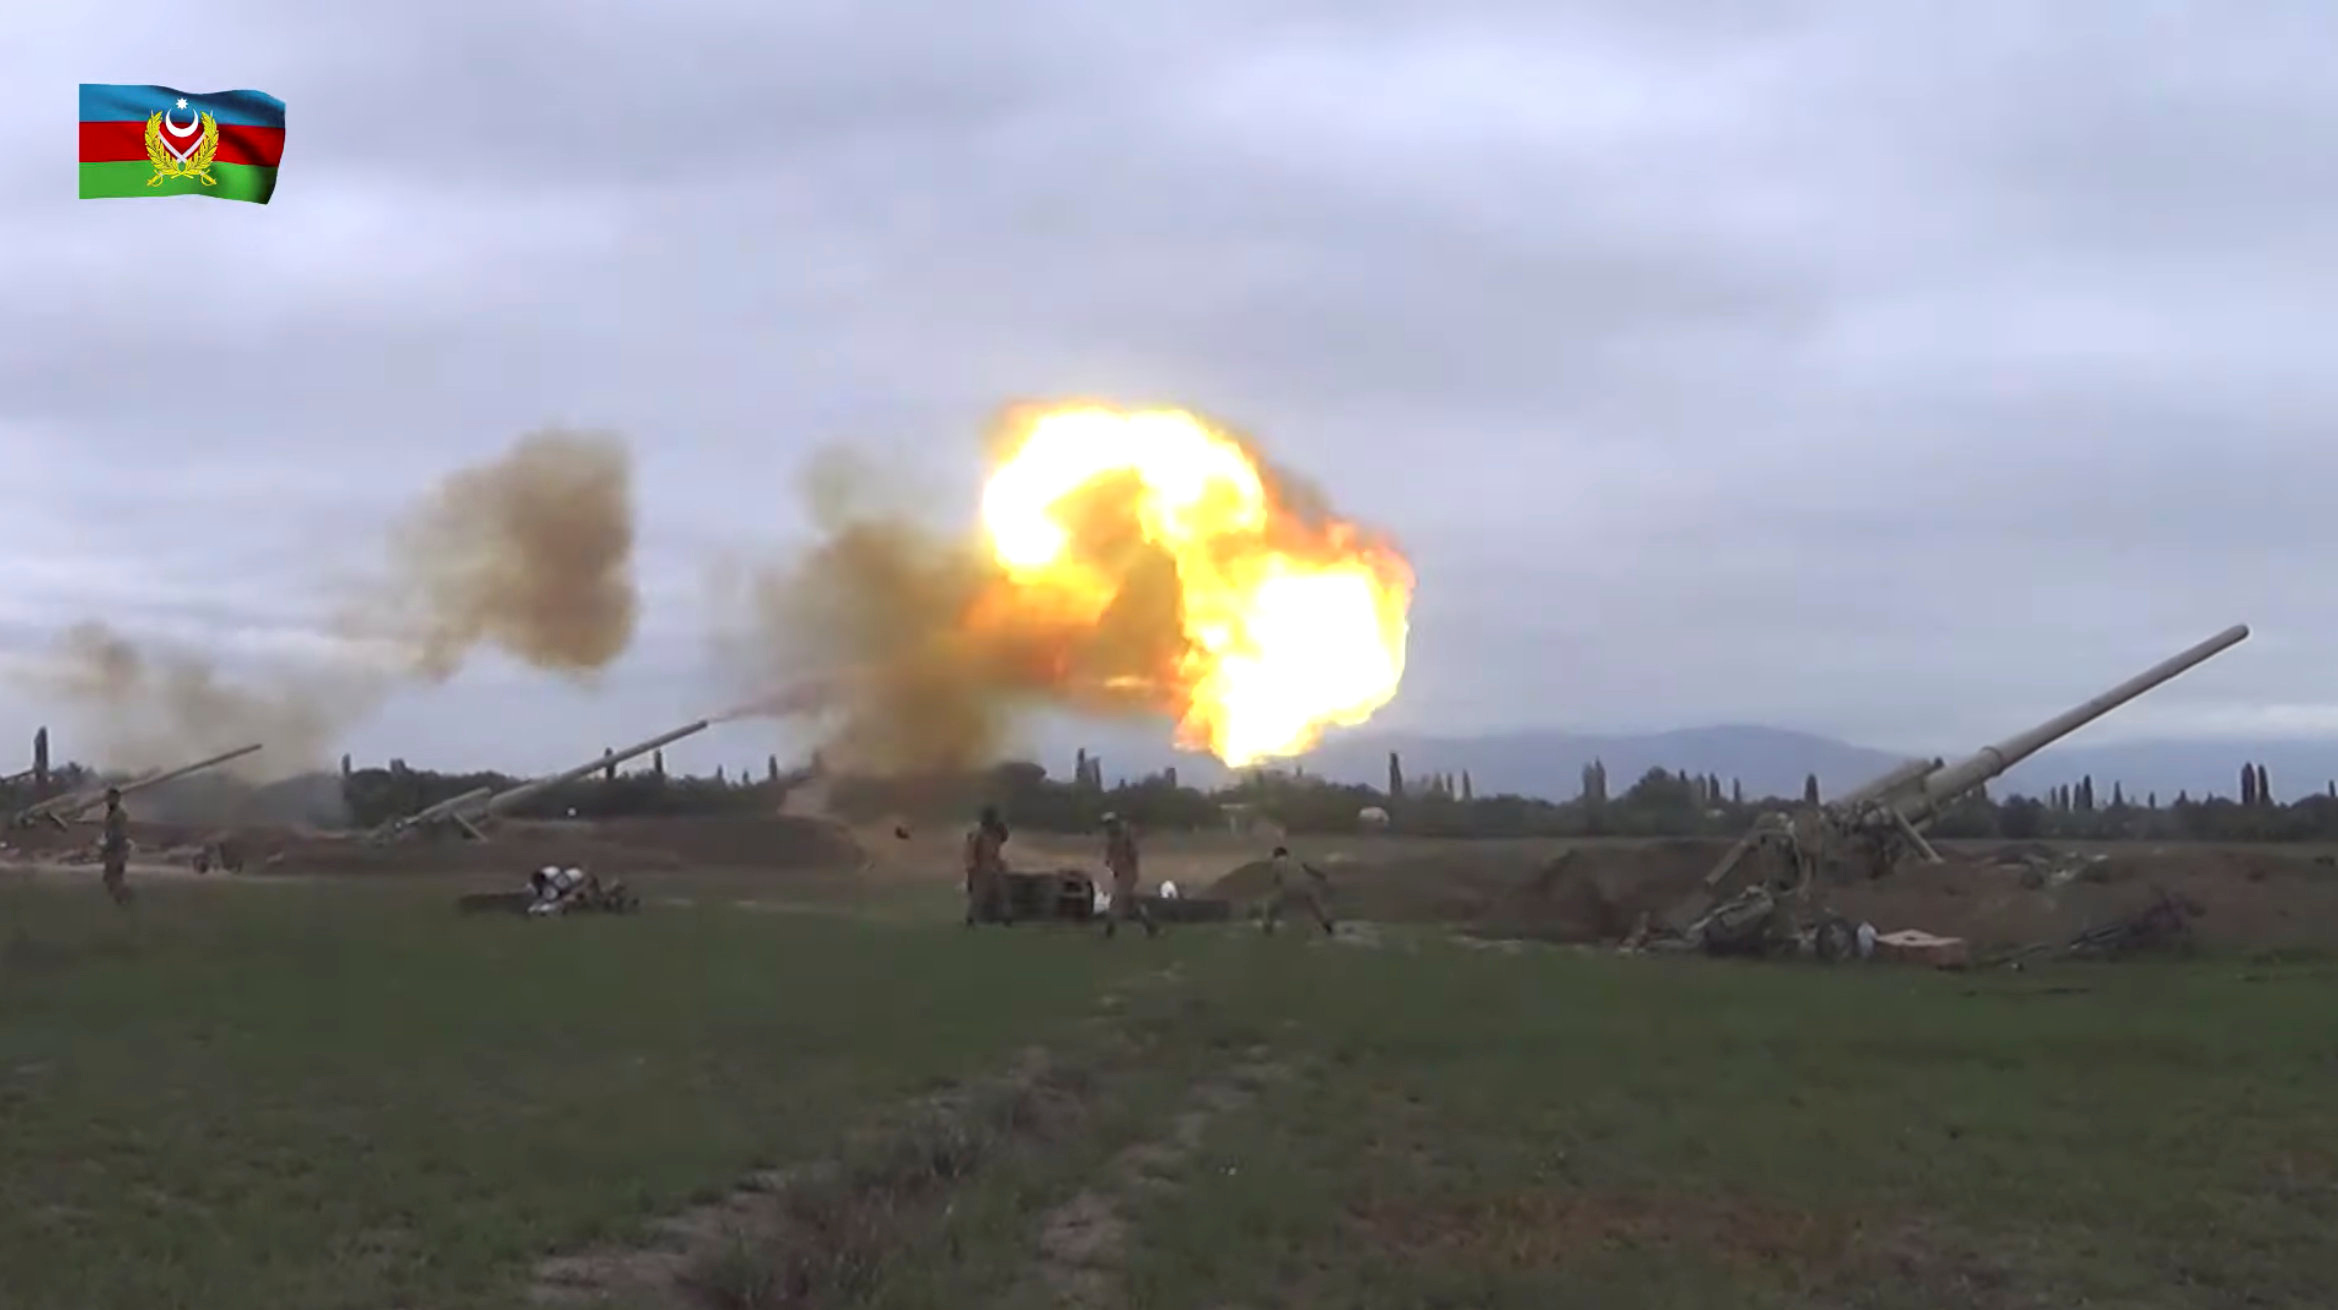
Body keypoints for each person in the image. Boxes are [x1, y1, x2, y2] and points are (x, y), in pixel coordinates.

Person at [1099, 813, 1157, 939]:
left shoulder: (1125, 837)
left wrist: (1125, 867)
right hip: (1120, 873)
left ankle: (1110, 930)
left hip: (1127, 874)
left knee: (1116, 902)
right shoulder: (1112, 838)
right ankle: (1151, 927)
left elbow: (1133, 855)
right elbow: (1110, 855)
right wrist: (1111, 863)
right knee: (1132, 903)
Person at [1261, 845, 1334, 936]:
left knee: (1271, 905)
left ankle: (1268, 927)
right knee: (1317, 906)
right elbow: (1311, 869)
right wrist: (1322, 876)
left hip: (1288, 888)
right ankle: (1328, 927)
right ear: (1286, 854)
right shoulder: (1296, 860)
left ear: (1276, 855)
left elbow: (1276, 881)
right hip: (1305, 887)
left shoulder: (1276, 863)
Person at [963, 805, 1013, 926]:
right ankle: (971, 919)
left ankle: (1007, 918)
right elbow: (971, 851)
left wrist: (1002, 827)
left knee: (1002, 894)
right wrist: (971, 869)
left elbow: (1004, 838)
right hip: (981, 867)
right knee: (978, 896)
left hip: (995, 866)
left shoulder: (996, 832)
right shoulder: (977, 833)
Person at [99, 787, 131, 907]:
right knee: (110, 877)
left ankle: (124, 899)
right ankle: (123, 899)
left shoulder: (119, 814)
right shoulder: (111, 813)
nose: (107, 800)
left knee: (114, 877)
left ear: (117, 799)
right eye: (107, 798)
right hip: (112, 849)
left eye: (110, 798)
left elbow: (119, 833)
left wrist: (107, 845)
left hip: (117, 849)